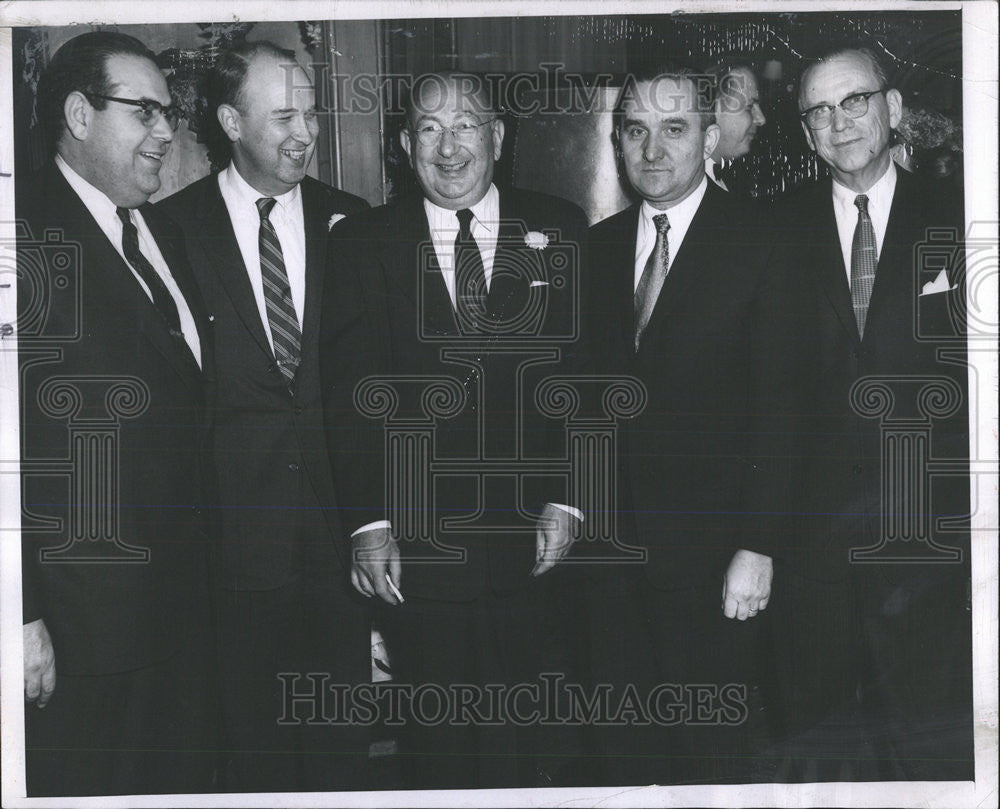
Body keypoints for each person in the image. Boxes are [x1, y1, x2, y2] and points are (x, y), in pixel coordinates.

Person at [319, 71, 590, 790]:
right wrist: (369, 522)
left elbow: (586, 375)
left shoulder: (561, 227)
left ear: (497, 137)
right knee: (436, 747)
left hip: (535, 540)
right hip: (418, 551)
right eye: (430, 130)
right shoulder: (362, 243)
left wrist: (570, 498)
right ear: (406, 146)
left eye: (466, 125)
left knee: (528, 744)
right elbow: (348, 394)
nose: (449, 147)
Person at [157, 41, 371, 792]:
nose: (306, 131)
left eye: (311, 111)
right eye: (284, 114)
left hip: (343, 536)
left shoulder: (354, 222)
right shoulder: (168, 231)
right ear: (230, 120)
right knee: (254, 748)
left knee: (342, 745)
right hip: (233, 543)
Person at [762, 44, 972, 781]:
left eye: (853, 101)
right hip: (810, 550)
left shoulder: (965, 218)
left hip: (930, 547)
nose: (837, 121)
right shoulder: (771, 231)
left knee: (929, 748)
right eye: (818, 110)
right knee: (813, 748)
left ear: (893, 109)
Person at [18, 31, 217, 796]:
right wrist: (21, 616)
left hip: (187, 618)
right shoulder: (22, 236)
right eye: (145, 112)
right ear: (78, 112)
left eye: (169, 113)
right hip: (86, 638)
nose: (167, 132)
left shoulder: (162, 232)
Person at [585, 63, 789, 785]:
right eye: (635, 130)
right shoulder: (598, 248)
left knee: (710, 758)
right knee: (622, 759)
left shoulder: (764, 242)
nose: (652, 149)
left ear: (709, 135)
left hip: (715, 566)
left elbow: (782, 409)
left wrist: (758, 545)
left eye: (674, 129)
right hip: (610, 569)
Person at [704, 58, 767, 190]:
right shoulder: (682, 188)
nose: (761, 119)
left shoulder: (734, 179)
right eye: (749, 107)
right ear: (713, 109)